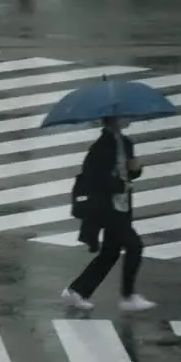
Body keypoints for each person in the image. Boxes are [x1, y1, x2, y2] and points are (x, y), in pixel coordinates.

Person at [62, 117, 157, 312]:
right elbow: (95, 179)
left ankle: (77, 291)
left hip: (121, 206)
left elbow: (127, 173)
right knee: (134, 246)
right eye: (123, 116)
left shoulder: (125, 143)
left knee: (110, 253)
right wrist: (120, 184)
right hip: (106, 208)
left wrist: (136, 170)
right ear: (114, 120)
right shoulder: (100, 147)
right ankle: (128, 295)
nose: (128, 118)